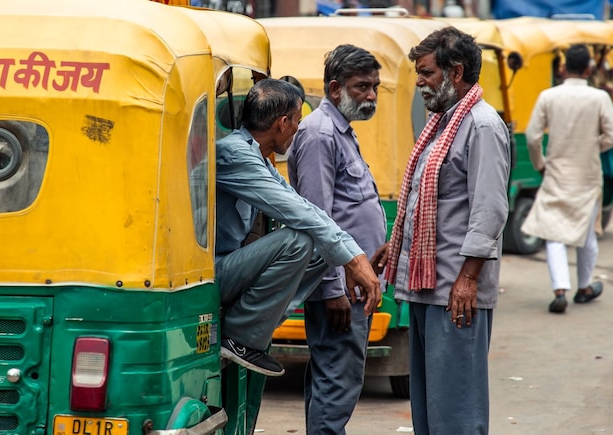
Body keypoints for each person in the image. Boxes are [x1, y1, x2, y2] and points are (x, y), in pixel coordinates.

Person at [376, 27, 510, 434]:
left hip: (456, 292)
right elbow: (429, 202)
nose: (419, 82)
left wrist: (468, 279)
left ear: (455, 72)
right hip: (426, 288)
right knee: (431, 411)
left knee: (457, 411)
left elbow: (489, 210)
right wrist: (393, 247)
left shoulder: (482, 126)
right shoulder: (441, 126)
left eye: (426, 73)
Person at [215, 78, 382, 377]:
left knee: (321, 245)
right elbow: (296, 213)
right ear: (282, 123)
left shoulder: (258, 158)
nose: (297, 130)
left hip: (231, 269)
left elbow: (305, 207)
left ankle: (261, 322)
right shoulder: (234, 154)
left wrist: (347, 258)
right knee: (298, 240)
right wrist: (354, 259)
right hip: (215, 271)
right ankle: (239, 337)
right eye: (296, 122)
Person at [287, 44, 385, 435]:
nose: (371, 95)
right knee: (338, 383)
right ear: (334, 88)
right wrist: (331, 289)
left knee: (332, 380)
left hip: (352, 284)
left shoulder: (339, 131)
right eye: (363, 86)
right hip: (340, 288)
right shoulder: (320, 135)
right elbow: (317, 219)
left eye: (375, 86)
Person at [521, 44, 613, 314]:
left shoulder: (548, 96)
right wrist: (591, 147)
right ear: (589, 70)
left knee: (554, 233)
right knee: (586, 235)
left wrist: (540, 164)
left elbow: (532, 137)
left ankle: (560, 289)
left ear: (563, 68)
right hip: (587, 174)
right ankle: (585, 287)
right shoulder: (599, 98)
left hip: (555, 171)